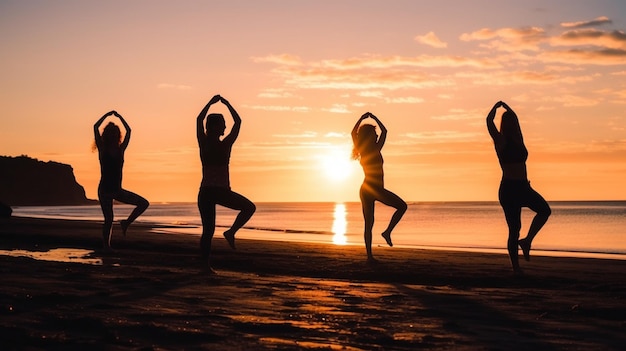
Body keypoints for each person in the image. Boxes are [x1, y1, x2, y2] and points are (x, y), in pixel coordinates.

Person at [487, 101, 551, 275]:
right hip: (509, 189)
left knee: (544, 210)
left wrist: (507, 107)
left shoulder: (518, 138)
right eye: (511, 122)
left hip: (523, 187)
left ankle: (527, 241)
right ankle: (516, 268)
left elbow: (516, 118)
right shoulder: (501, 141)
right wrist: (496, 108)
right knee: (514, 229)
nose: (514, 124)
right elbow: (488, 122)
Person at [197, 94, 256, 273]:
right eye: (222, 125)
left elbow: (238, 123)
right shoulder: (205, 143)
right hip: (208, 192)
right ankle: (204, 266)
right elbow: (200, 119)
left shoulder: (225, 144)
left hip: (220, 191)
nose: (225, 127)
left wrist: (225, 104)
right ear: (215, 127)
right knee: (208, 230)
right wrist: (217, 103)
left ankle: (230, 232)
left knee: (249, 207)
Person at [351, 112, 407, 263]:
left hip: (368, 189)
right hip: (372, 189)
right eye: (374, 134)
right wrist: (365, 119)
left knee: (400, 207)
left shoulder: (373, 149)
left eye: (376, 134)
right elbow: (353, 133)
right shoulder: (368, 150)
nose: (376, 136)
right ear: (368, 136)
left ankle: (385, 235)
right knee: (371, 222)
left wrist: (370, 119)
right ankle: (372, 253)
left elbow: (385, 131)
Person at [94, 110, 149, 252]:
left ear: (117, 135)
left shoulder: (120, 150)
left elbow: (129, 130)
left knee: (143, 203)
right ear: (106, 135)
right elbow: (95, 127)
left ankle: (126, 222)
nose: (112, 135)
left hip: (117, 190)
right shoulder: (102, 149)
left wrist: (120, 117)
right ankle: (106, 246)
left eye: (114, 133)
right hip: (105, 190)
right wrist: (106, 116)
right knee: (109, 219)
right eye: (110, 133)